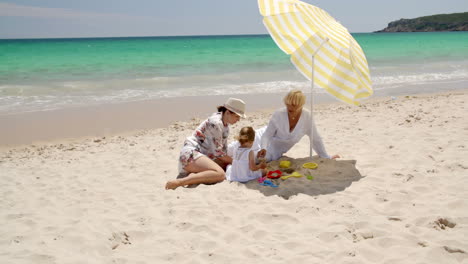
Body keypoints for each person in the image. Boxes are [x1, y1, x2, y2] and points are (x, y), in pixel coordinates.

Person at [165, 98, 246, 190]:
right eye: (237, 116)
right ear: (228, 112)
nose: (239, 119)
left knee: (224, 166)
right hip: (191, 153)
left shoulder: (225, 126)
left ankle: (194, 175)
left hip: (202, 155)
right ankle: (180, 182)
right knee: (220, 175)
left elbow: (223, 152)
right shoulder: (216, 123)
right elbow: (219, 154)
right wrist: (237, 163)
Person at [258, 89, 340, 161]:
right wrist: (263, 148)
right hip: (262, 142)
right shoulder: (278, 114)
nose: (289, 107)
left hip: (277, 152)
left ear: (301, 105)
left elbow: (315, 138)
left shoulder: (307, 117)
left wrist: (325, 156)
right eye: (287, 104)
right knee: (257, 159)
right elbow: (267, 135)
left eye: (293, 105)